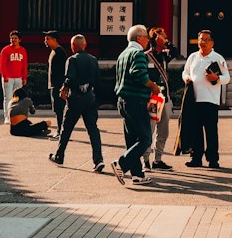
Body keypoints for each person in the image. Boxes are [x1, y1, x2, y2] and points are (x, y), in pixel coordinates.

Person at [50, 34, 105, 172]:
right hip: (90, 98)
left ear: (73, 47)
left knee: (66, 129)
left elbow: (70, 77)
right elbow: (98, 80)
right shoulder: (93, 60)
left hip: (75, 98)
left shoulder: (72, 59)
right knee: (93, 130)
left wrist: (64, 88)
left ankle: (59, 155)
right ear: (85, 45)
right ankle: (98, 160)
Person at [113, 25, 157, 184]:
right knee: (145, 139)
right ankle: (121, 164)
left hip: (123, 101)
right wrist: (153, 86)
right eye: (146, 36)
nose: (148, 40)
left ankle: (137, 175)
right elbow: (139, 74)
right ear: (139, 38)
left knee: (132, 139)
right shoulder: (138, 53)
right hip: (136, 100)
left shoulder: (123, 54)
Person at [183, 28, 231, 171]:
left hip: (210, 100)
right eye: (200, 39)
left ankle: (213, 159)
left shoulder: (218, 58)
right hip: (194, 99)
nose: (202, 42)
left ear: (212, 42)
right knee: (196, 130)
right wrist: (186, 77)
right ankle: (196, 158)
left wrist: (217, 78)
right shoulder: (192, 57)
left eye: (205, 40)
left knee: (211, 131)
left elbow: (227, 78)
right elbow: (185, 71)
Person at [147, 27, 178, 169]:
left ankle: (157, 160)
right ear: (155, 38)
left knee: (164, 129)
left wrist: (166, 42)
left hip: (164, 97)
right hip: (153, 98)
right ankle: (145, 159)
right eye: (163, 35)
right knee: (150, 129)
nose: (166, 37)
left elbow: (176, 52)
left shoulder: (165, 54)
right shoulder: (146, 55)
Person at [0, 30, 28, 122]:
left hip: (19, 78)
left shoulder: (23, 50)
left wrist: (24, 77)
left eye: (15, 38)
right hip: (8, 78)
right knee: (8, 97)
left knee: (18, 98)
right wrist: (5, 75)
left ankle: (18, 116)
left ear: (19, 40)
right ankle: (7, 117)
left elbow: (24, 65)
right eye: (11, 38)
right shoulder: (5, 50)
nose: (13, 40)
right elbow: (2, 64)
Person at [44, 30, 66, 138]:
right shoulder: (53, 51)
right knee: (57, 109)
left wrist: (63, 87)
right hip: (53, 84)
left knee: (59, 109)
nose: (45, 41)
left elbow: (63, 71)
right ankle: (59, 130)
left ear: (54, 40)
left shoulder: (60, 52)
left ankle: (60, 131)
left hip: (58, 85)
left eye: (48, 39)